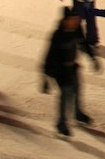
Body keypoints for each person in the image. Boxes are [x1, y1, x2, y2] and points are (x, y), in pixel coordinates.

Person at [42, 7, 99, 136]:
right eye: (74, 20)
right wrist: (46, 78)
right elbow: (49, 56)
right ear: (67, 20)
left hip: (72, 67)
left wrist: (93, 58)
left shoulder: (77, 30)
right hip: (60, 70)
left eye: (77, 19)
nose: (76, 22)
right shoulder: (58, 35)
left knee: (78, 88)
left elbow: (83, 44)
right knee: (66, 94)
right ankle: (61, 124)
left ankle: (78, 114)